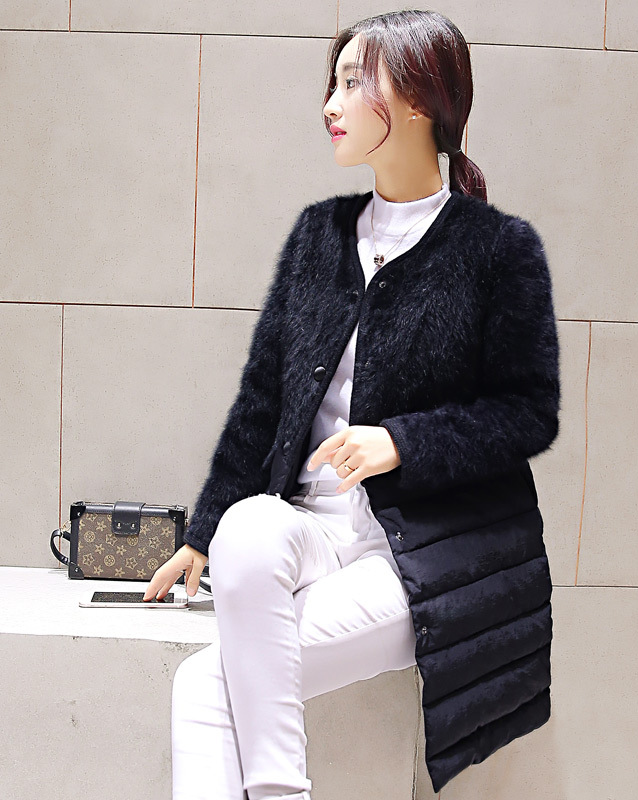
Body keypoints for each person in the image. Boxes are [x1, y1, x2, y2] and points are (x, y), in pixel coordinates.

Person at [144, 9, 560, 800]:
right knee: (248, 526)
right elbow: (262, 397)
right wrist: (203, 535)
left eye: (350, 83)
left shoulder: (499, 251)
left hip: (418, 554)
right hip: (310, 531)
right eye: (330, 86)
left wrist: (401, 441)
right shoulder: (319, 236)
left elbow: (528, 411)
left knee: (204, 688)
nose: (329, 105)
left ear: (418, 99)